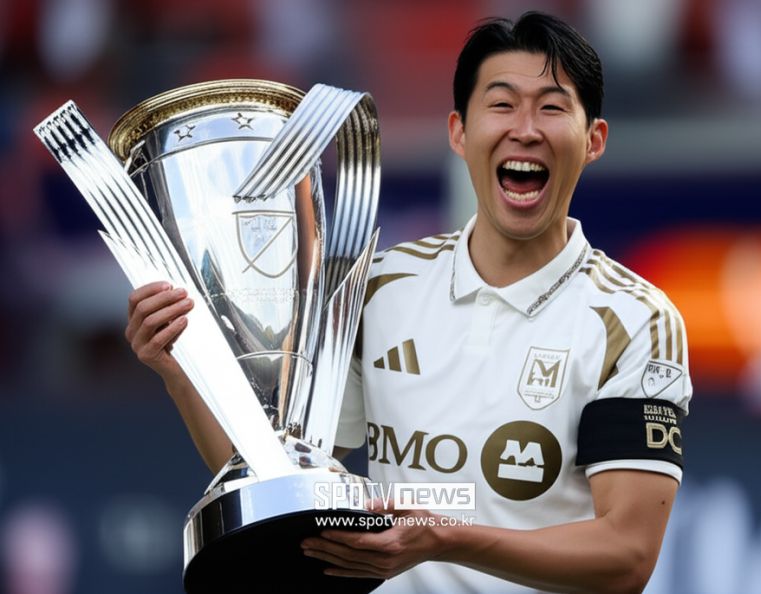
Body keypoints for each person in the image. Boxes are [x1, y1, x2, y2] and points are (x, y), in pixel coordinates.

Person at [126, 11, 692, 594]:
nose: (525, 129)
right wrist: (181, 371)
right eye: (501, 104)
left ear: (594, 140)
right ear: (459, 132)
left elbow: (626, 555)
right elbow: (275, 478)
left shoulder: (636, 321)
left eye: (551, 107)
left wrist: (448, 538)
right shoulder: (378, 287)